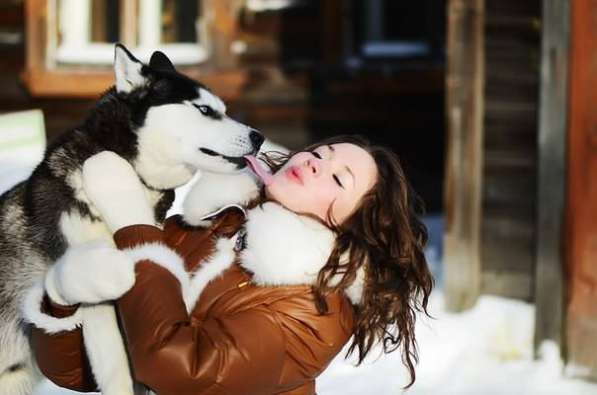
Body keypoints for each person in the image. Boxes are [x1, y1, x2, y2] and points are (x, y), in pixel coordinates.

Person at [23, 135, 433, 395]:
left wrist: (133, 220)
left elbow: (176, 370)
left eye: (338, 179)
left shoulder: (314, 310)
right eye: (320, 153)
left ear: (352, 227)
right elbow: (80, 373)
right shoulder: (213, 229)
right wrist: (60, 301)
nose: (314, 163)